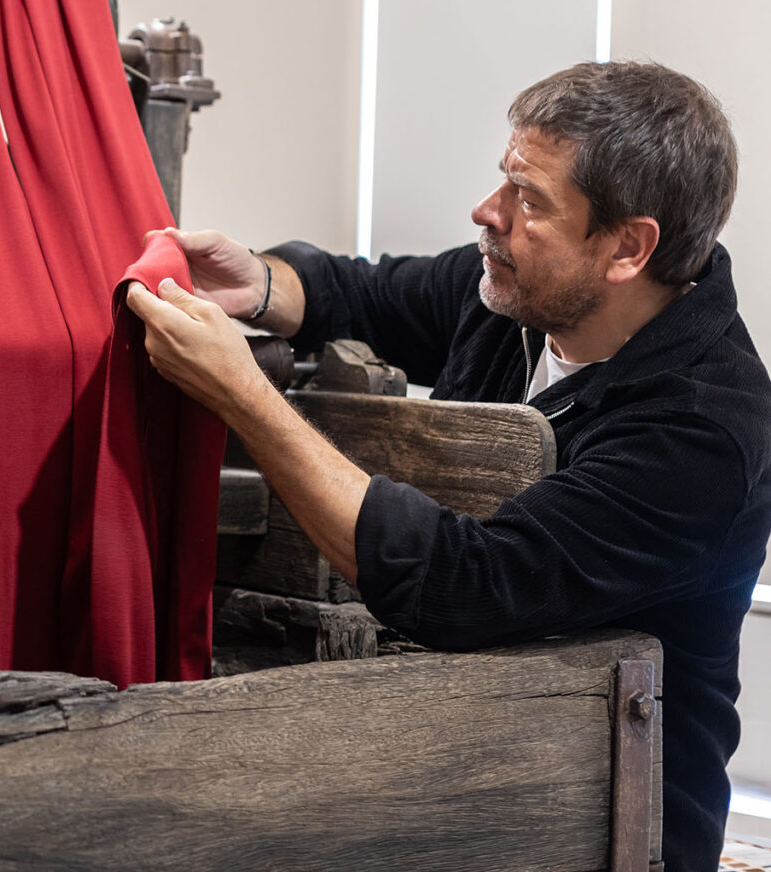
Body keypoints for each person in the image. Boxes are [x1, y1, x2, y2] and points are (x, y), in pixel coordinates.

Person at [125, 61, 771, 871]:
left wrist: (244, 397)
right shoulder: (519, 299)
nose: (487, 213)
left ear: (628, 248)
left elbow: (462, 583)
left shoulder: (702, 430)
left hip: (608, 832)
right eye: (506, 180)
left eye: (529, 200)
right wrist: (258, 283)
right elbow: (360, 294)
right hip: (468, 790)